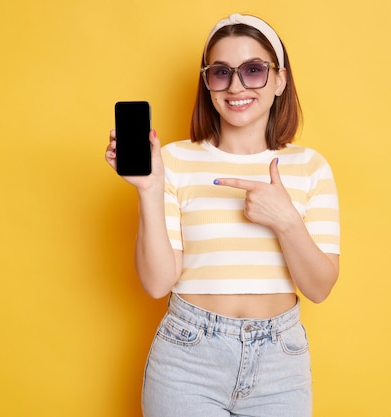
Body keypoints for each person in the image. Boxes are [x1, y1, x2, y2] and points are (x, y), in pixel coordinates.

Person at [105, 13, 340, 417]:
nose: (236, 86)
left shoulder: (310, 167)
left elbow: (319, 288)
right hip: (188, 357)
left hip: (280, 363)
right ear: (207, 82)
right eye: (220, 73)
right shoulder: (175, 160)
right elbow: (158, 283)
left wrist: (285, 219)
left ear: (280, 79)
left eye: (253, 70)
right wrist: (150, 190)